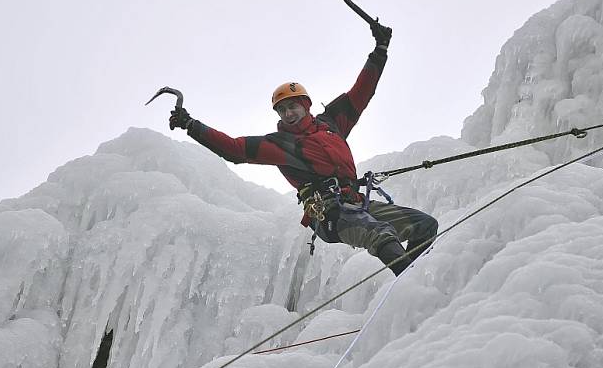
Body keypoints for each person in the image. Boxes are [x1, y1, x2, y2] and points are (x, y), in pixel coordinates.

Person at [168, 23, 437, 276]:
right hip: (331, 213)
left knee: (426, 225)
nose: (288, 113)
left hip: (356, 202)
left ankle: (412, 280)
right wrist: (191, 125)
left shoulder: (332, 124)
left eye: (292, 106)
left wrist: (380, 50)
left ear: (306, 105)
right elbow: (234, 149)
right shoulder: (280, 144)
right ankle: (408, 284)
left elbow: (362, 92)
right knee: (380, 234)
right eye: (282, 110)